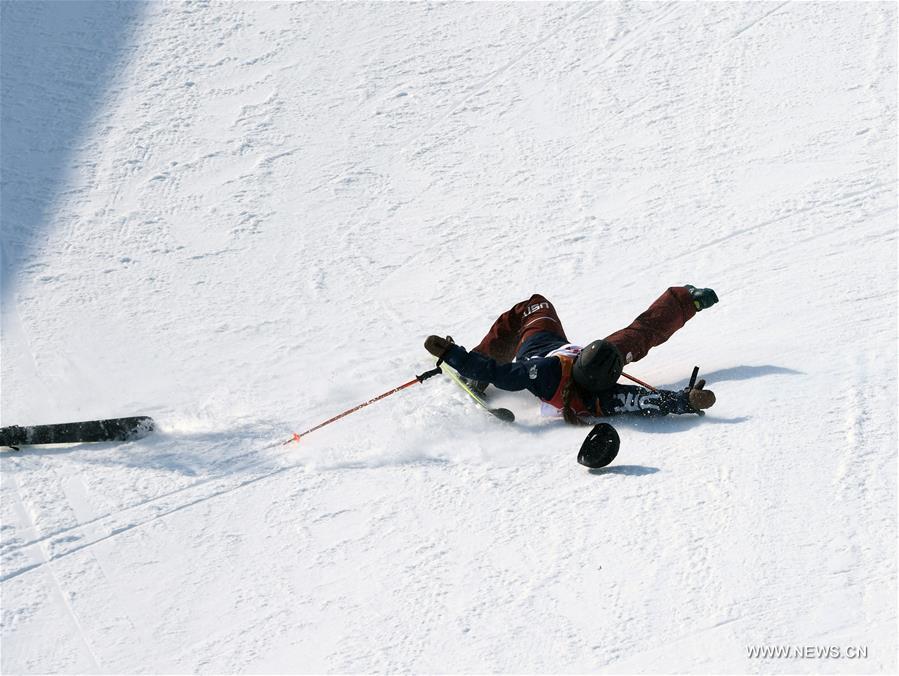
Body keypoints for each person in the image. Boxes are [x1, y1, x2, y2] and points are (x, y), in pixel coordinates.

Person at [424, 285, 719, 424]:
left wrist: (454, 354)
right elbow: (648, 401)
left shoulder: (544, 373)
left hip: (541, 347)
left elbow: (496, 373)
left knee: (535, 304)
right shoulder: (606, 396)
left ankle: (472, 371)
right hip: (581, 356)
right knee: (637, 336)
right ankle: (685, 301)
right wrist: (686, 400)